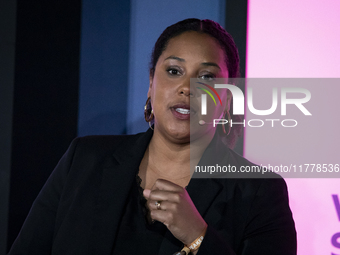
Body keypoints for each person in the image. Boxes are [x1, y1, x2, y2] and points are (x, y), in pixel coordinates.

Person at [8, 18, 296, 255]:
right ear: (151, 83)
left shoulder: (259, 192)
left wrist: (198, 237)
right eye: (174, 71)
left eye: (207, 78)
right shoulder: (84, 160)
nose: (187, 88)